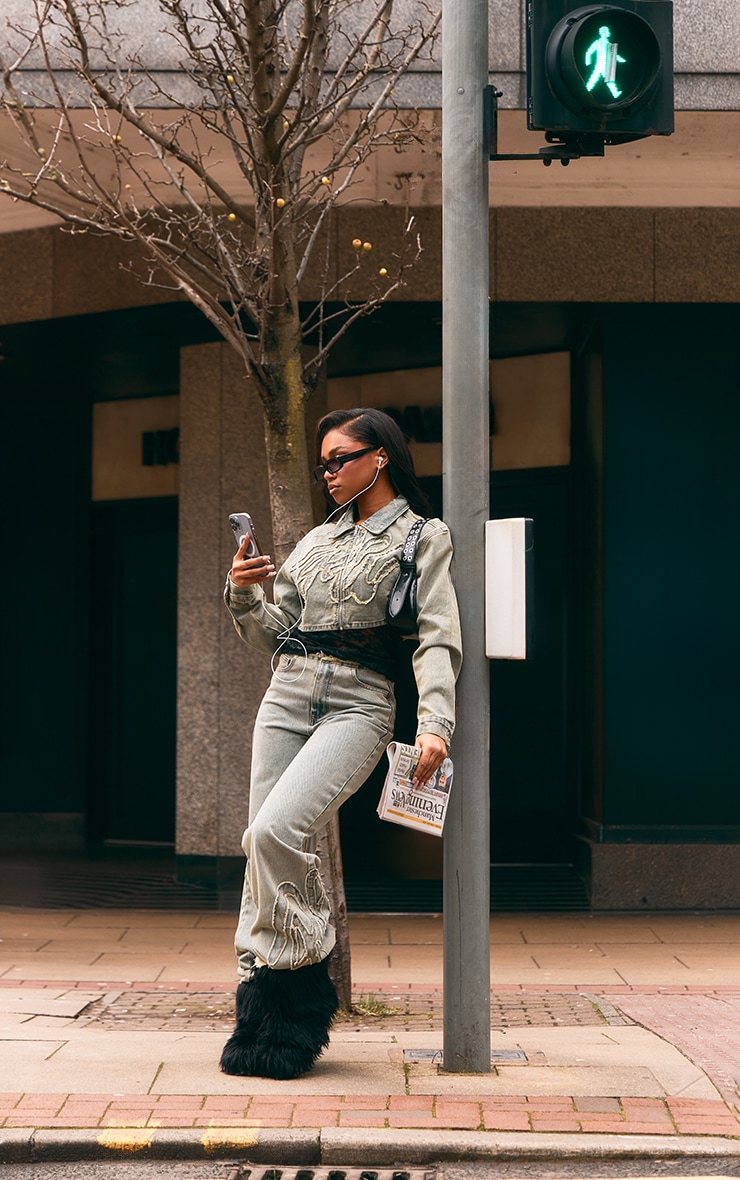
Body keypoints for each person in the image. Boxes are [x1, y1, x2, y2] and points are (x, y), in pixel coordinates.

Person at [219, 407, 462, 1080]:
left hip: (360, 702)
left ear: (379, 456)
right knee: (257, 846)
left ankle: (304, 970)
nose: (327, 473)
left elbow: (438, 633)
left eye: (339, 459)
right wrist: (244, 595)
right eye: (322, 463)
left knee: (275, 832)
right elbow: (275, 634)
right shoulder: (315, 543)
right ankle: (260, 1011)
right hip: (287, 693)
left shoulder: (421, 535)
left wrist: (435, 722)